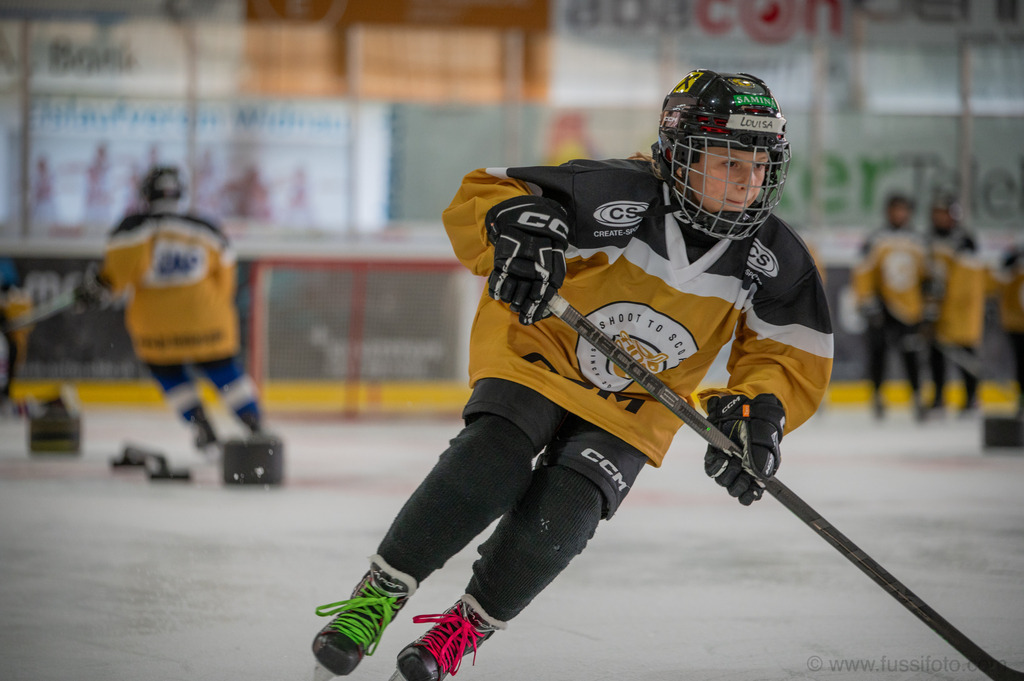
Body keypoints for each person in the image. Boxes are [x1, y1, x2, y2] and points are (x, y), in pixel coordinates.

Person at [310, 69, 833, 681]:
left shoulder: (778, 259)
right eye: (727, 163)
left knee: (564, 517)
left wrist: (758, 412)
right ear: (677, 154)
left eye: (759, 166)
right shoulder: (617, 191)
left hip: (635, 406)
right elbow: (485, 194)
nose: (747, 184)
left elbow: (789, 352)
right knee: (492, 460)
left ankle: (458, 635)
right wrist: (521, 229)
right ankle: (372, 603)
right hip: (539, 356)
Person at [84, 166, 263, 450]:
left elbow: (118, 277)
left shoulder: (133, 228)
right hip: (207, 319)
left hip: (156, 326)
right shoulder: (206, 228)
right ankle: (254, 425)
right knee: (224, 371)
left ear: (145, 194)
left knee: (167, 371)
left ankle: (201, 426)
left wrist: (97, 285)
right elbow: (226, 278)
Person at [852, 193, 930, 421]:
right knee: (878, 354)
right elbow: (863, 273)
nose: (899, 214)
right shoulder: (876, 238)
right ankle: (877, 397)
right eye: (895, 209)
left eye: (903, 209)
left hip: (910, 309)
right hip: (882, 307)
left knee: (912, 355)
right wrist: (867, 302)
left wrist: (928, 305)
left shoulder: (919, 241)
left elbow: (927, 276)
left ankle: (917, 397)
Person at [924, 194, 985, 416]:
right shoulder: (929, 238)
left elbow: (968, 282)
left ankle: (971, 396)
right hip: (937, 307)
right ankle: (939, 397)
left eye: (944, 213)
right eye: (936, 213)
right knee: (936, 354)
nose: (939, 218)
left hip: (960, 310)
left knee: (964, 352)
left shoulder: (965, 241)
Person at [997, 241, 1024, 418]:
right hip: (1017, 324)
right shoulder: (1015, 254)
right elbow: (1002, 272)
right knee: (1021, 364)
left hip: (1016, 322)